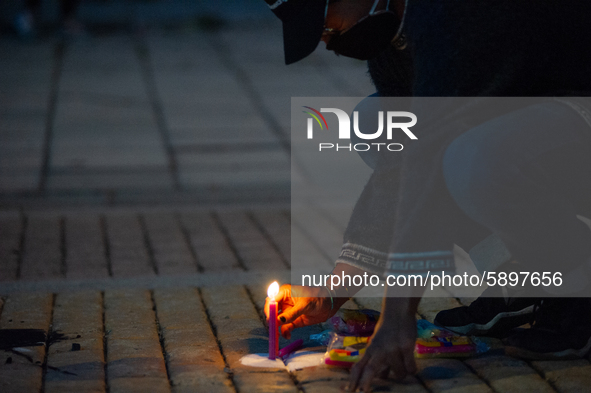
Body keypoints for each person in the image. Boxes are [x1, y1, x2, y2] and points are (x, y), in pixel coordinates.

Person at [263, 0, 591, 390]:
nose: (328, 42)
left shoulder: (456, 13)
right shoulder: (395, 29)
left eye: (326, 25)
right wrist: (337, 288)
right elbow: (406, 158)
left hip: (576, 102)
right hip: (527, 110)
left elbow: (432, 150)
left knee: (473, 161)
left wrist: (397, 318)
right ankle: (516, 276)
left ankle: (577, 291)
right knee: (380, 122)